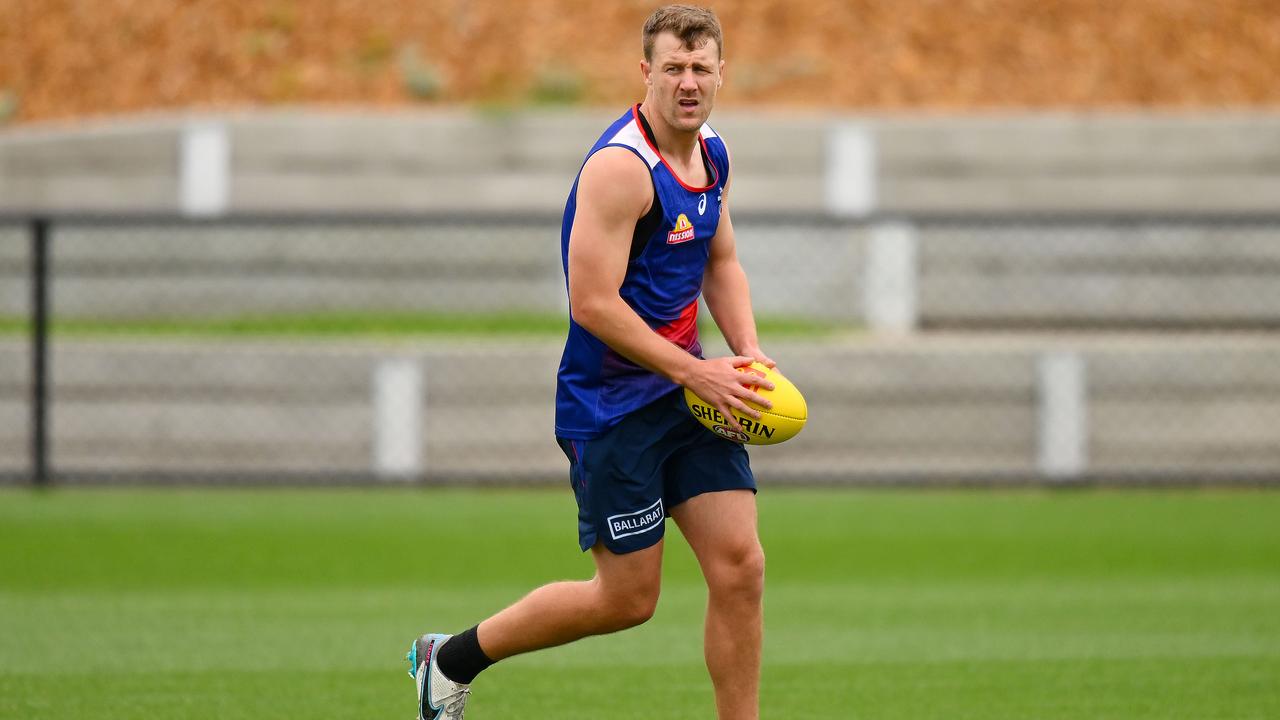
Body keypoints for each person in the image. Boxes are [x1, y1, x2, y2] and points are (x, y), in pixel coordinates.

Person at [407, 6, 775, 719]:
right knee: (627, 600)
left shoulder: (713, 154)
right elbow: (592, 304)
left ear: (722, 73)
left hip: (685, 394)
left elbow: (720, 260)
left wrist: (748, 353)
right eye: (673, 68)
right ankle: (447, 660)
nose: (688, 82)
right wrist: (695, 371)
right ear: (646, 74)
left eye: (701, 68)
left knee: (741, 568)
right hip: (613, 409)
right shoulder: (621, 168)